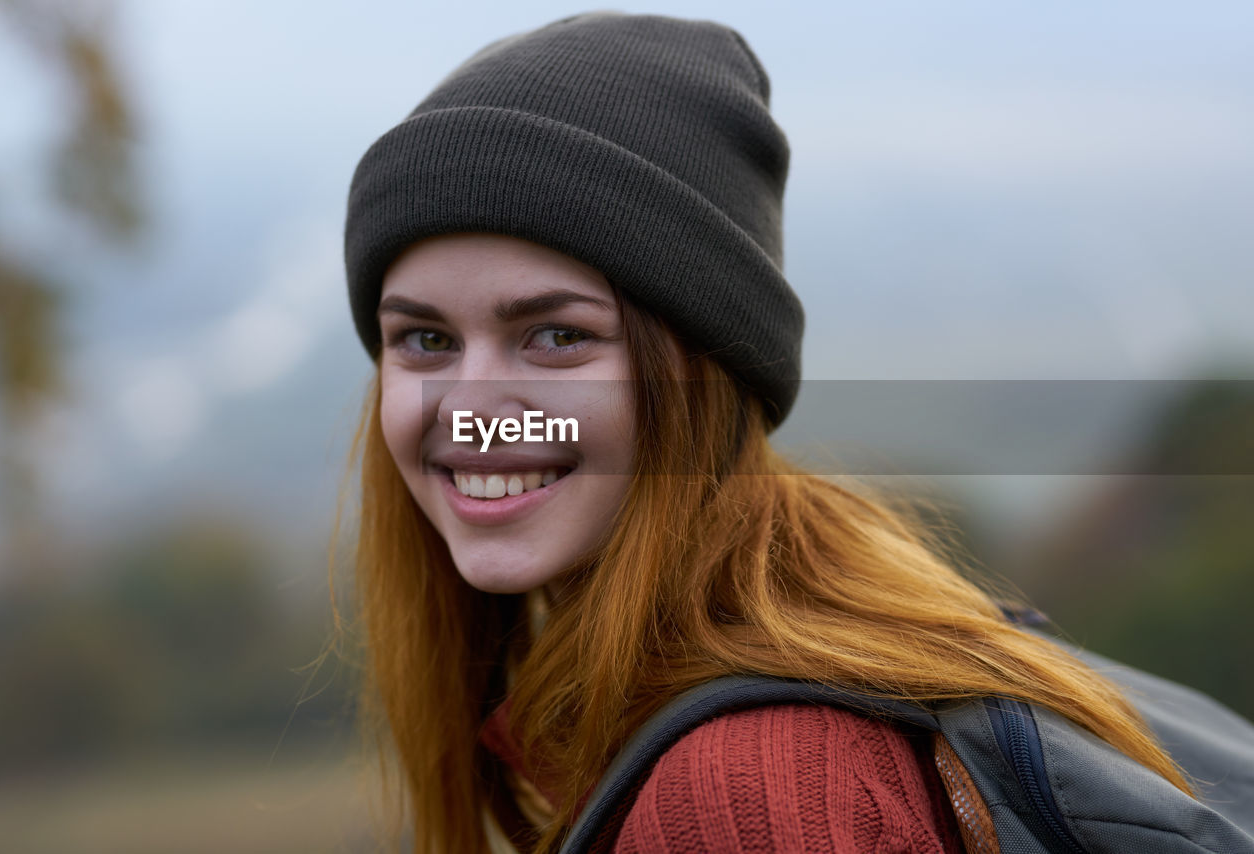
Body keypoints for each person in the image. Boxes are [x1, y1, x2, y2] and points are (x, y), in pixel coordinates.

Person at [339, 12, 1191, 854]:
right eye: (425, 340)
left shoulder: (748, 798)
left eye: (558, 336)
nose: (472, 408)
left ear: (710, 371)